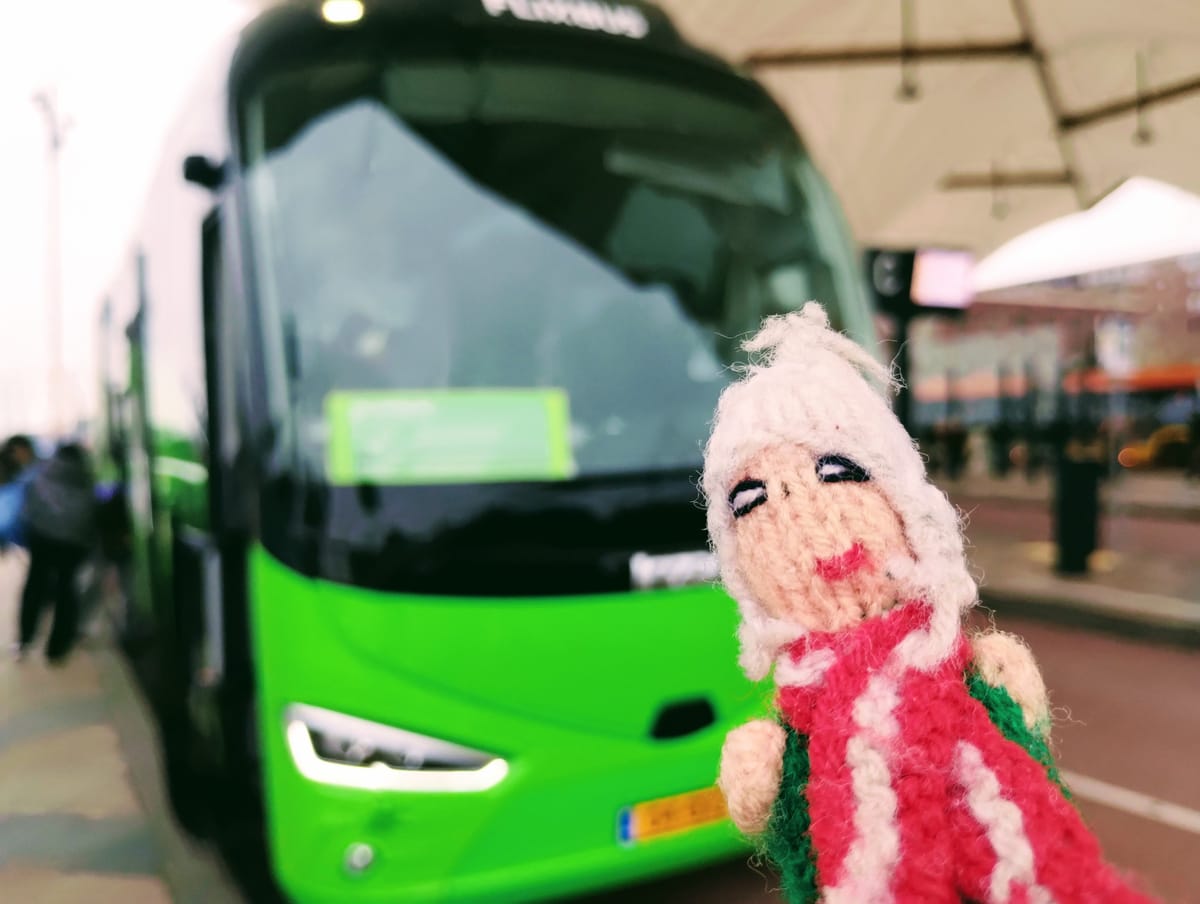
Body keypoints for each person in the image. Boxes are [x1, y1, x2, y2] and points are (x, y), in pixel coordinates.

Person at [14, 441, 98, 664]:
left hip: (42, 539)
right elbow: (92, 514)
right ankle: (57, 648)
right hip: (73, 544)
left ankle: (25, 640)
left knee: (34, 585)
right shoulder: (86, 477)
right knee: (66, 590)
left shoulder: (42, 472)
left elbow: (26, 508)